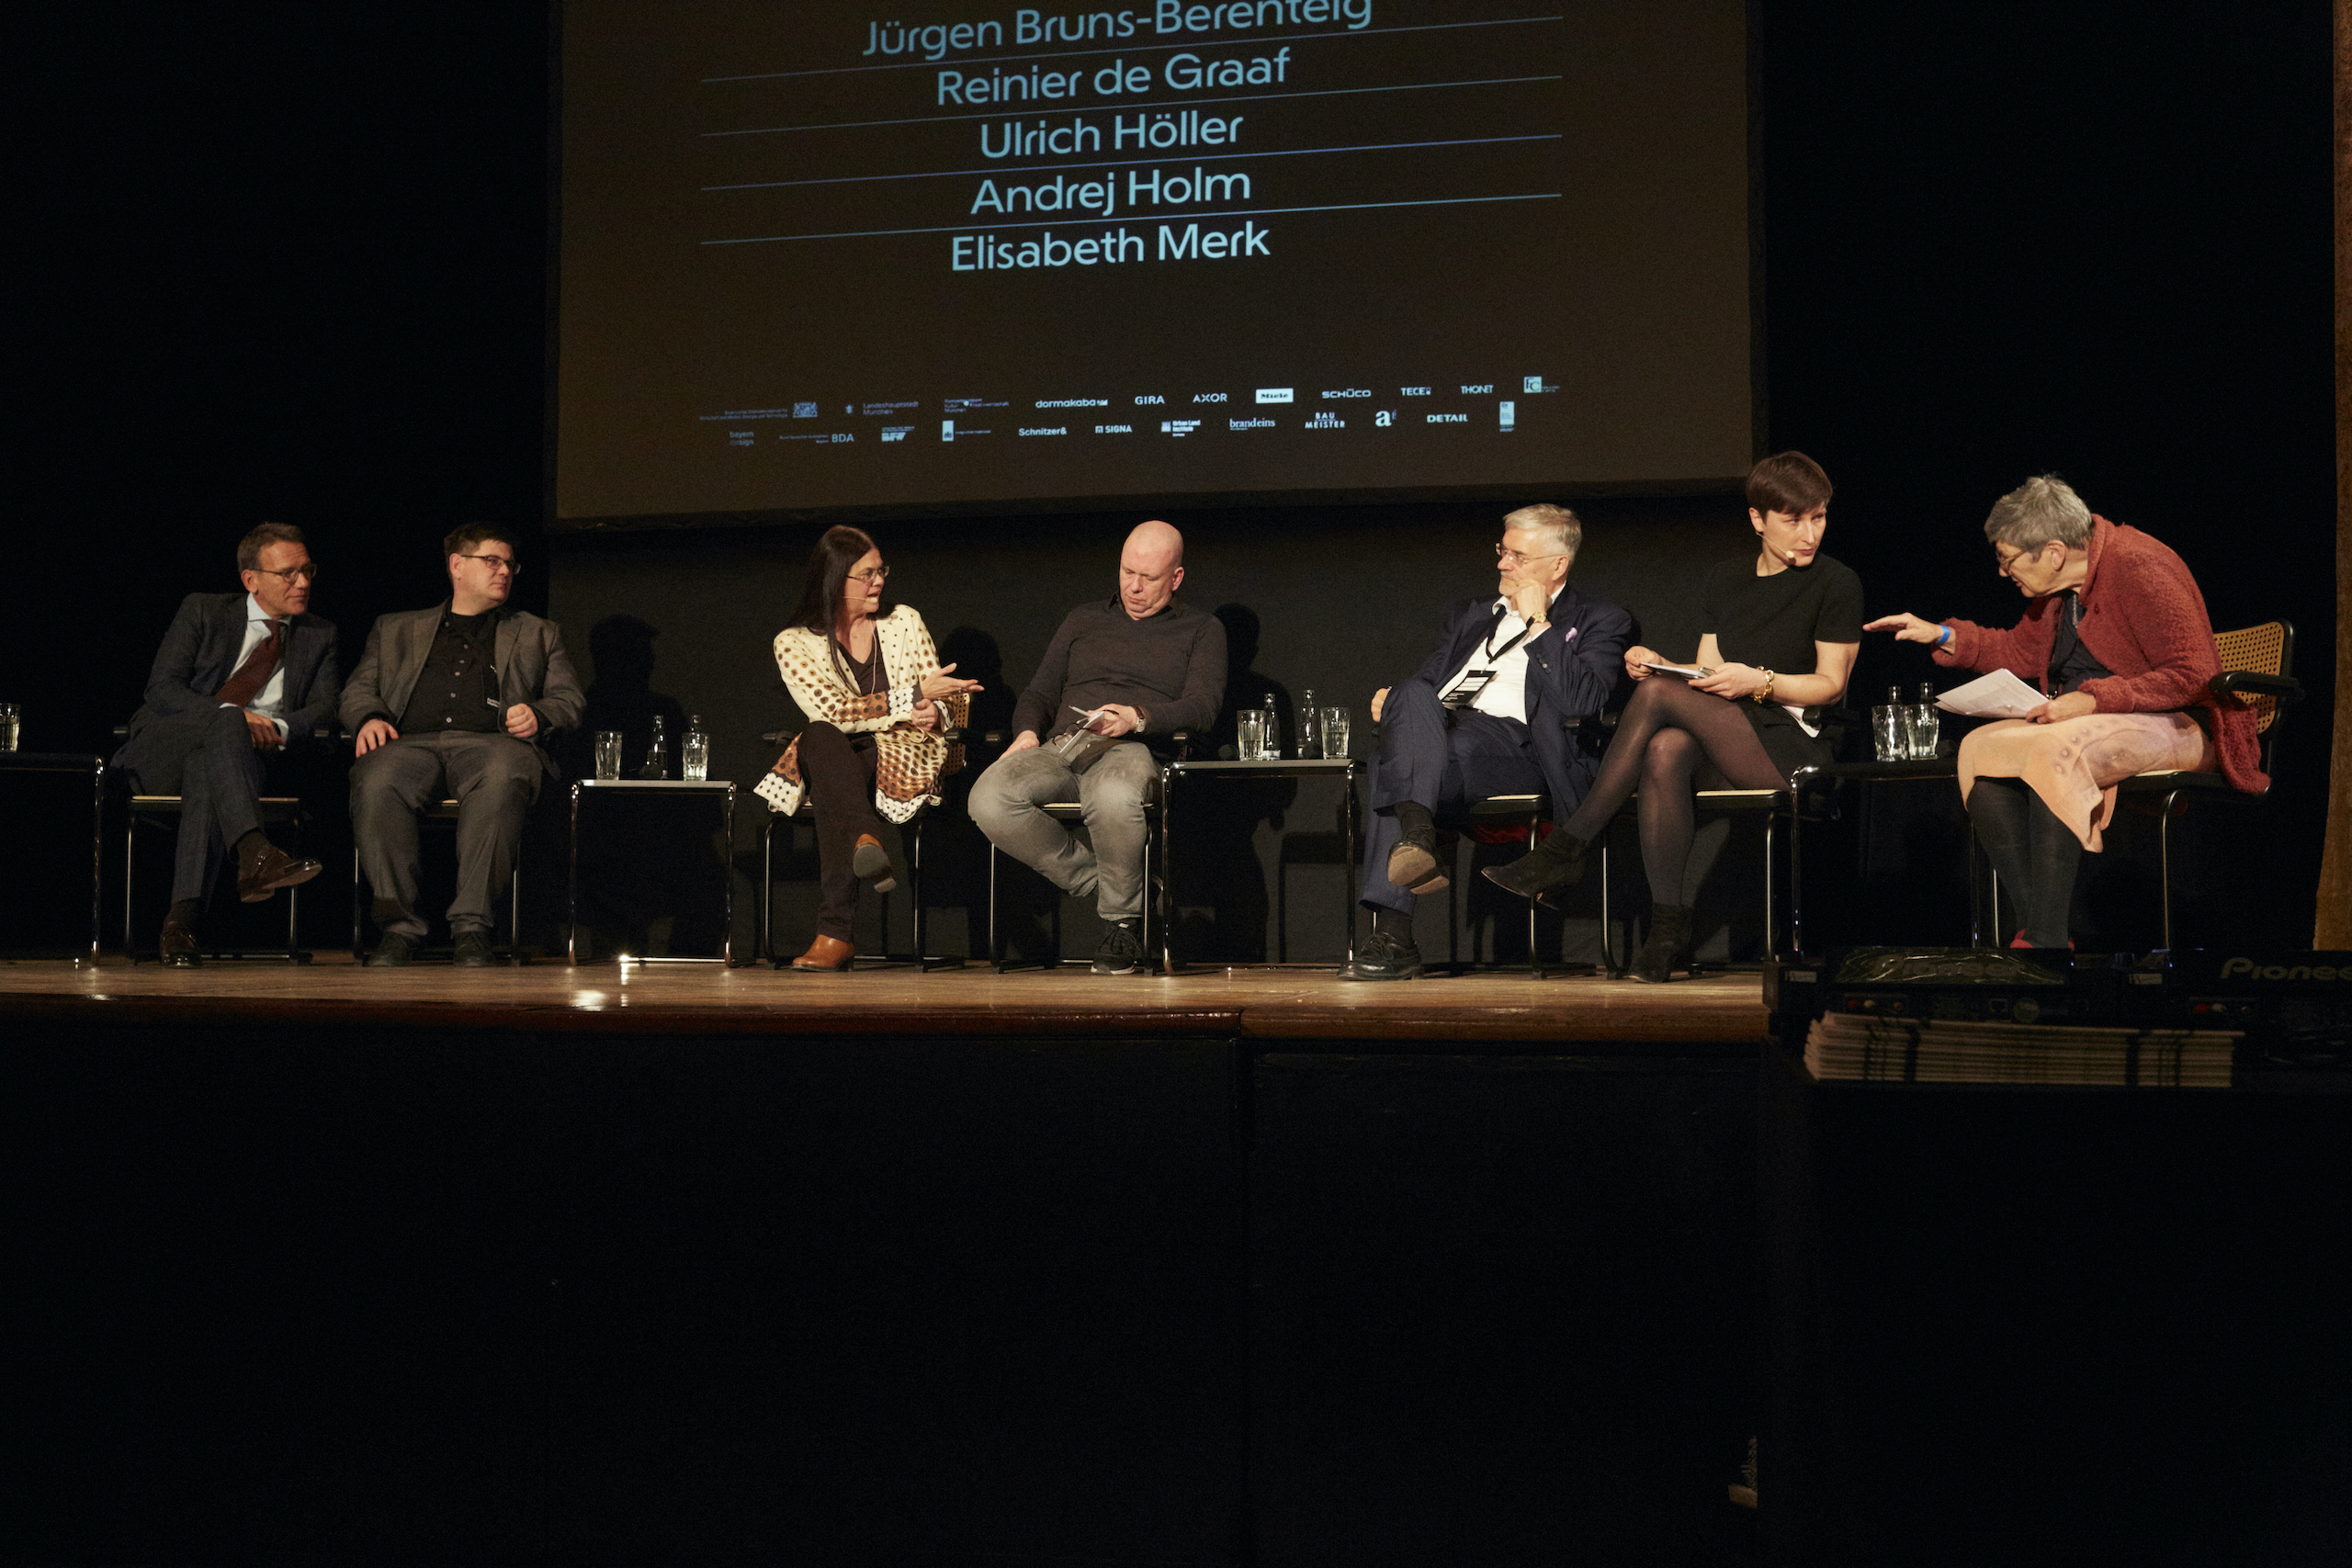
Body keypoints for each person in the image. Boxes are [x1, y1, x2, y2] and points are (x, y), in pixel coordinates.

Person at [1482, 453, 1863, 980]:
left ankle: (1569, 846)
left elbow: (1831, 684)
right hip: (1734, 734)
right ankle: (1667, 936)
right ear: (1758, 520)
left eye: (1818, 517)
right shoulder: (1725, 579)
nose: (1809, 533)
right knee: (1665, 748)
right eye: (1793, 520)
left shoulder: (1836, 582)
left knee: (1660, 699)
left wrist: (1761, 681)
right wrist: (1665, 665)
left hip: (1800, 745)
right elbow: (1707, 670)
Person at [1865, 476, 2261, 948]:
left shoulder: (2139, 566)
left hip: (2184, 723)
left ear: (2052, 552)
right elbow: (2017, 649)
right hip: (2092, 719)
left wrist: (2093, 699)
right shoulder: (2058, 595)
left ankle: (2043, 936)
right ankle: (2044, 932)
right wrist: (1942, 636)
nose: (2002, 571)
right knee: (1978, 748)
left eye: (2007, 559)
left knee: (2053, 749)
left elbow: (2192, 674)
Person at [1340, 504, 1633, 981]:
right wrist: (1392, 704)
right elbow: (1426, 686)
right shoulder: (1474, 617)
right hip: (1452, 742)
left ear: (1557, 565)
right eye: (1502, 550)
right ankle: (1417, 836)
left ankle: (1395, 933)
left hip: (1523, 751)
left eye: (1517, 555)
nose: (1502, 563)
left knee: (1390, 764)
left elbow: (1584, 699)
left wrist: (1539, 622)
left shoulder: (1600, 618)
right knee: (1408, 697)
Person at [970, 519, 1227, 975]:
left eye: (1148, 578)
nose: (1134, 586)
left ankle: (1120, 925)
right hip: (1065, 745)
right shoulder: (1083, 619)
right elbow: (1039, 693)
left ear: (1176, 578)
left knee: (1113, 796)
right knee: (988, 798)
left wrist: (1137, 717)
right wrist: (1028, 732)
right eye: (1127, 572)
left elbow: (1203, 707)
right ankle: (1109, 886)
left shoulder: (1202, 629)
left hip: (1131, 748)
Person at [343, 523, 584, 967]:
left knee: (503, 776)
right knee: (376, 781)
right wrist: (369, 717)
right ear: (457, 565)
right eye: (492, 561)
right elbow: (358, 689)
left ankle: (472, 925)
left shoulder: (537, 632)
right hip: (408, 743)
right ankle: (399, 929)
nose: (505, 571)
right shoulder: (395, 628)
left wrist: (539, 714)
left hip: (491, 744)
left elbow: (569, 699)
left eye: (510, 564)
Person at [112, 523, 339, 966]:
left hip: (246, 760)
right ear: (251, 579)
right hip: (165, 748)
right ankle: (254, 853)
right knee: (223, 725)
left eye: (308, 570)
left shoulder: (320, 633)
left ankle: (180, 926)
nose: (304, 582)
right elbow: (162, 689)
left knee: (208, 770)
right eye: (289, 573)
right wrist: (232, 717)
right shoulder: (203, 610)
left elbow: (325, 707)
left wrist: (276, 729)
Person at [756, 525, 981, 973]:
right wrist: (911, 696)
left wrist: (937, 713)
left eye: (882, 571)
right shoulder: (793, 643)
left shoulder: (904, 622)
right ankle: (865, 837)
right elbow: (834, 711)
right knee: (821, 735)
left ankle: (835, 932)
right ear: (836, 579)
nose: (879, 581)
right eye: (867, 574)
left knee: (825, 761)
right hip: (839, 755)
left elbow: (943, 696)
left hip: (905, 750)